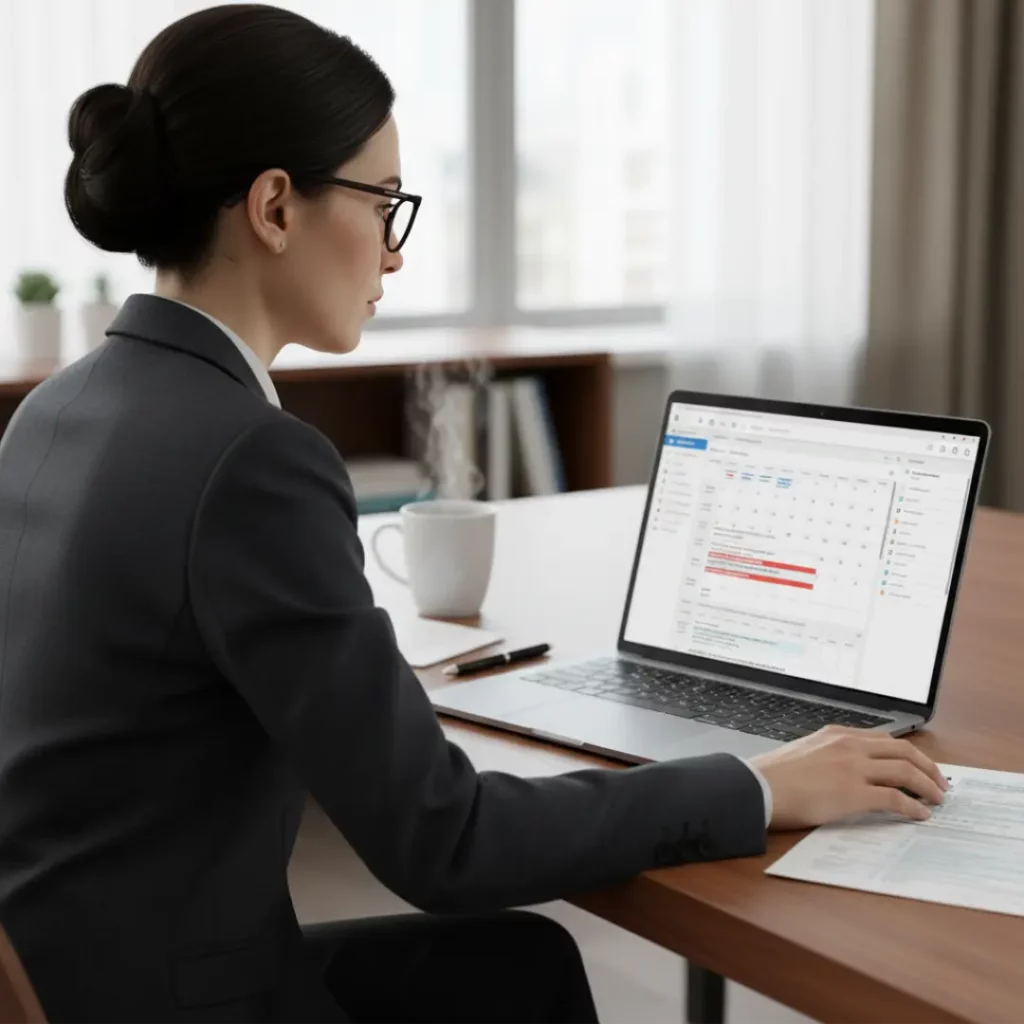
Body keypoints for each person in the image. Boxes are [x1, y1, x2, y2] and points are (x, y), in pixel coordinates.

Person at [0, 5, 948, 1023]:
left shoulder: (64, 405)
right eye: (383, 202)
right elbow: (444, 843)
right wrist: (760, 785)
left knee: (517, 964)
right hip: (182, 995)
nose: (394, 254)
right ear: (275, 207)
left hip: (71, 965)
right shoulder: (252, 459)